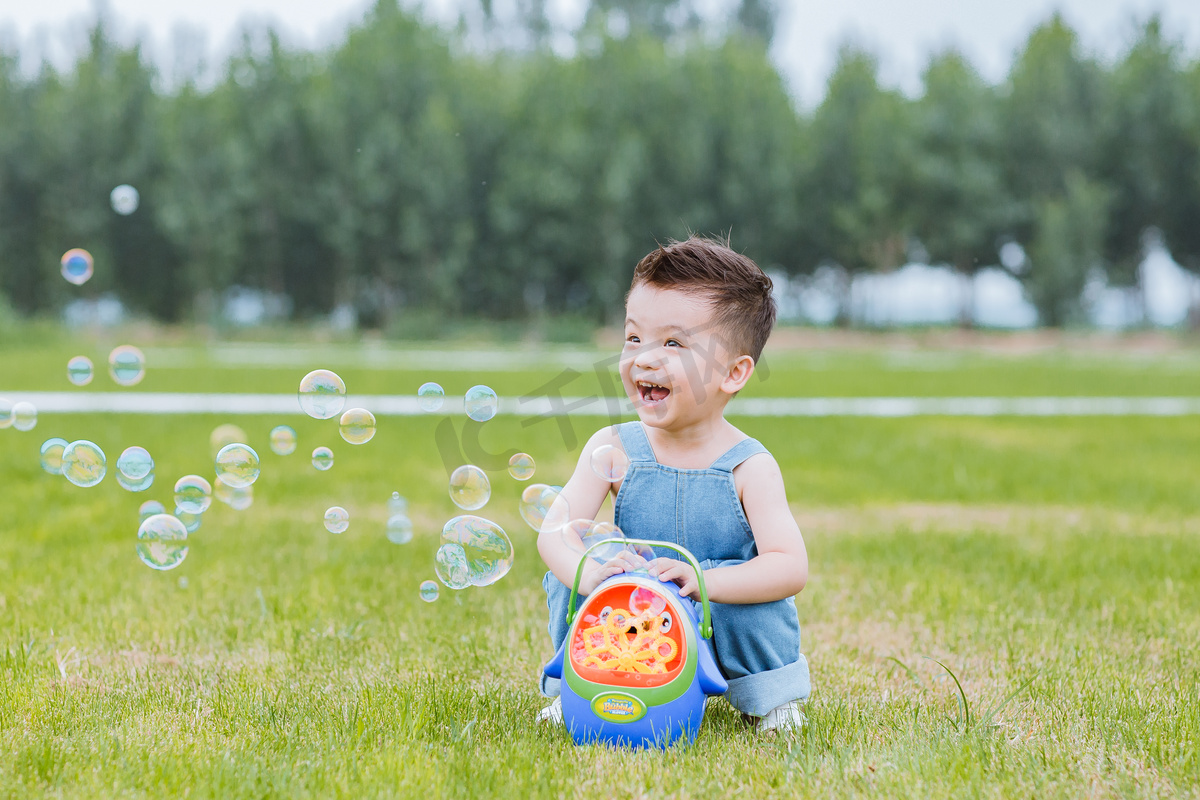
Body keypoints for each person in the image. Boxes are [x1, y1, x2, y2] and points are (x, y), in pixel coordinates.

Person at [535, 236, 810, 734]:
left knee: (761, 601)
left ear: (733, 372)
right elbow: (554, 531)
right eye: (634, 338)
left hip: (714, 608)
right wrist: (591, 575)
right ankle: (578, 684)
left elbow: (789, 566)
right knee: (567, 575)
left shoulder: (749, 466)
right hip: (631, 609)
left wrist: (708, 584)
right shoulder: (613, 446)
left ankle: (770, 699)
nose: (643, 358)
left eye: (674, 344)